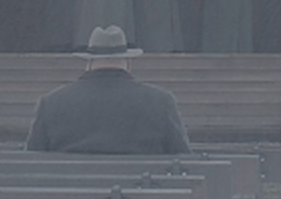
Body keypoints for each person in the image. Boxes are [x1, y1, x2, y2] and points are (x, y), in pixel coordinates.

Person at [27, 24, 192, 158]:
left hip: (71, 196)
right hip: (138, 195)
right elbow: (183, 158)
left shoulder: (51, 103)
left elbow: (32, 161)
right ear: (128, 63)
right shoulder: (161, 102)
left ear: (89, 63)